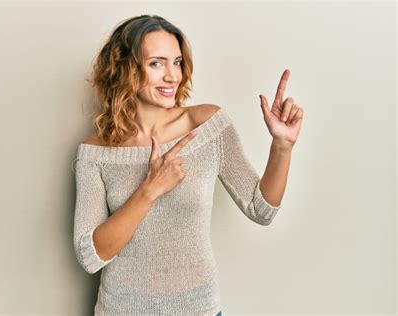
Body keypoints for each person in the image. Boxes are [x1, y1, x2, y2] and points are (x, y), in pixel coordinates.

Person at [72, 14, 303, 316]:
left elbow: (261, 209)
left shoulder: (207, 126)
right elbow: (91, 255)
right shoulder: (95, 153)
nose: (172, 76)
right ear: (126, 69)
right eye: (157, 63)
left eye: (177, 62)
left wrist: (282, 147)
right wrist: (149, 190)